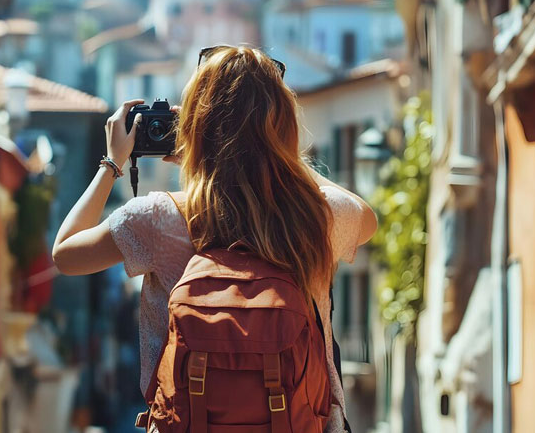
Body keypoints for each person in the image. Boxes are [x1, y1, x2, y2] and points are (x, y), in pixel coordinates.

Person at [52, 45, 377, 432]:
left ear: (194, 125)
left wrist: (112, 163)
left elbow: (65, 253)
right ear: (284, 126)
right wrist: (283, 156)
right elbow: (367, 218)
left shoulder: (158, 217)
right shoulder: (320, 216)